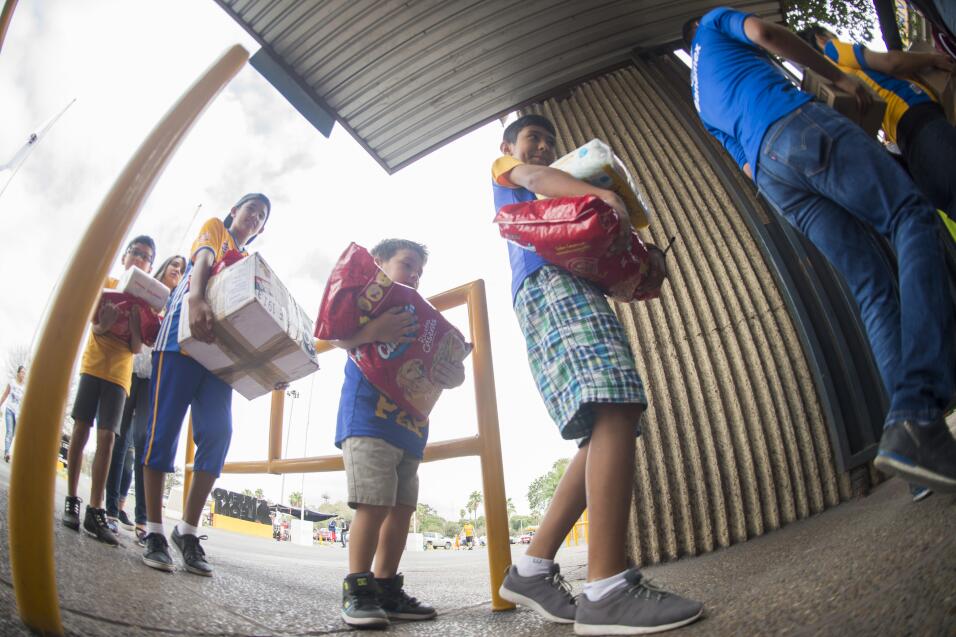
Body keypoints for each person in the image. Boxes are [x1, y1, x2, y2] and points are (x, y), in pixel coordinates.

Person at [685, 9, 956, 492]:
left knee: (870, 286)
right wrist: (839, 81)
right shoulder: (711, 22)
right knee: (910, 216)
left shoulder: (702, 101)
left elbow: (746, 168)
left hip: (774, 180)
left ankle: (920, 459)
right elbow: (767, 34)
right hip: (795, 124)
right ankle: (917, 408)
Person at [491, 114, 702, 634]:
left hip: (566, 286)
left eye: (548, 141)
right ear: (509, 146)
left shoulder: (555, 206)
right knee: (616, 405)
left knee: (606, 424)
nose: (540, 146)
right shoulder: (507, 169)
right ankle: (606, 589)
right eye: (531, 138)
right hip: (549, 286)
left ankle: (532, 569)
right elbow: (539, 180)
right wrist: (599, 196)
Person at [330, 238, 465, 628]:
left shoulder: (419, 315)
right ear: (378, 264)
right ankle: (357, 587)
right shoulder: (364, 303)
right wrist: (374, 329)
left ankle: (387, 586)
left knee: (403, 508)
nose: (415, 276)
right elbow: (334, 334)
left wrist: (452, 374)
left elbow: (434, 366)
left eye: (420, 271)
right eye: (407, 265)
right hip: (368, 418)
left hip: (409, 426)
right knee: (373, 503)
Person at [140, 193, 271, 576]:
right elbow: (203, 261)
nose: (254, 219)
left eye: (261, 217)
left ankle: (188, 530)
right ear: (235, 211)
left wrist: (270, 364)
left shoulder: (248, 263)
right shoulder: (216, 229)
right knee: (163, 431)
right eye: (251, 210)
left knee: (218, 434)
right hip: (181, 339)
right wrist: (196, 298)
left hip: (218, 357)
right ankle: (153, 530)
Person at [799, 25, 956, 223]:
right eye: (832, 34)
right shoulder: (832, 51)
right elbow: (891, 63)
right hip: (916, 117)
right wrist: (933, 59)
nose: (835, 37)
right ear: (821, 39)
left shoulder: (824, 91)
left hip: (907, 148)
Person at [63, 235, 154, 545]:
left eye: (146, 258)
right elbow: (93, 324)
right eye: (136, 253)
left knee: (108, 438)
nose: (140, 260)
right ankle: (72, 499)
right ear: (125, 257)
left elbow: (137, 346)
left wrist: (134, 324)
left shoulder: (145, 304)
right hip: (93, 365)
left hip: (120, 373)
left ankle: (94, 508)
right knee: (80, 429)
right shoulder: (109, 283)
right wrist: (105, 323)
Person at [104, 255, 186, 542]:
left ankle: (142, 518)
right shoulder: (145, 295)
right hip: (131, 369)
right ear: (163, 269)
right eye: (173, 265)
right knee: (119, 437)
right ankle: (111, 510)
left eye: (182, 269)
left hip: (155, 378)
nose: (177, 270)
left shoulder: (179, 304)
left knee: (144, 442)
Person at [0, 365, 26, 462]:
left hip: (17, 413)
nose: (23, 374)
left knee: (13, 433)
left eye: (24, 373)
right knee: (10, 431)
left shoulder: (24, 388)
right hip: (9, 410)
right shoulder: (12, 383)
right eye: (22, 372)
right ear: (18, 373)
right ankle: (7, 452)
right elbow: (5, 394)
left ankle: (7, 451)